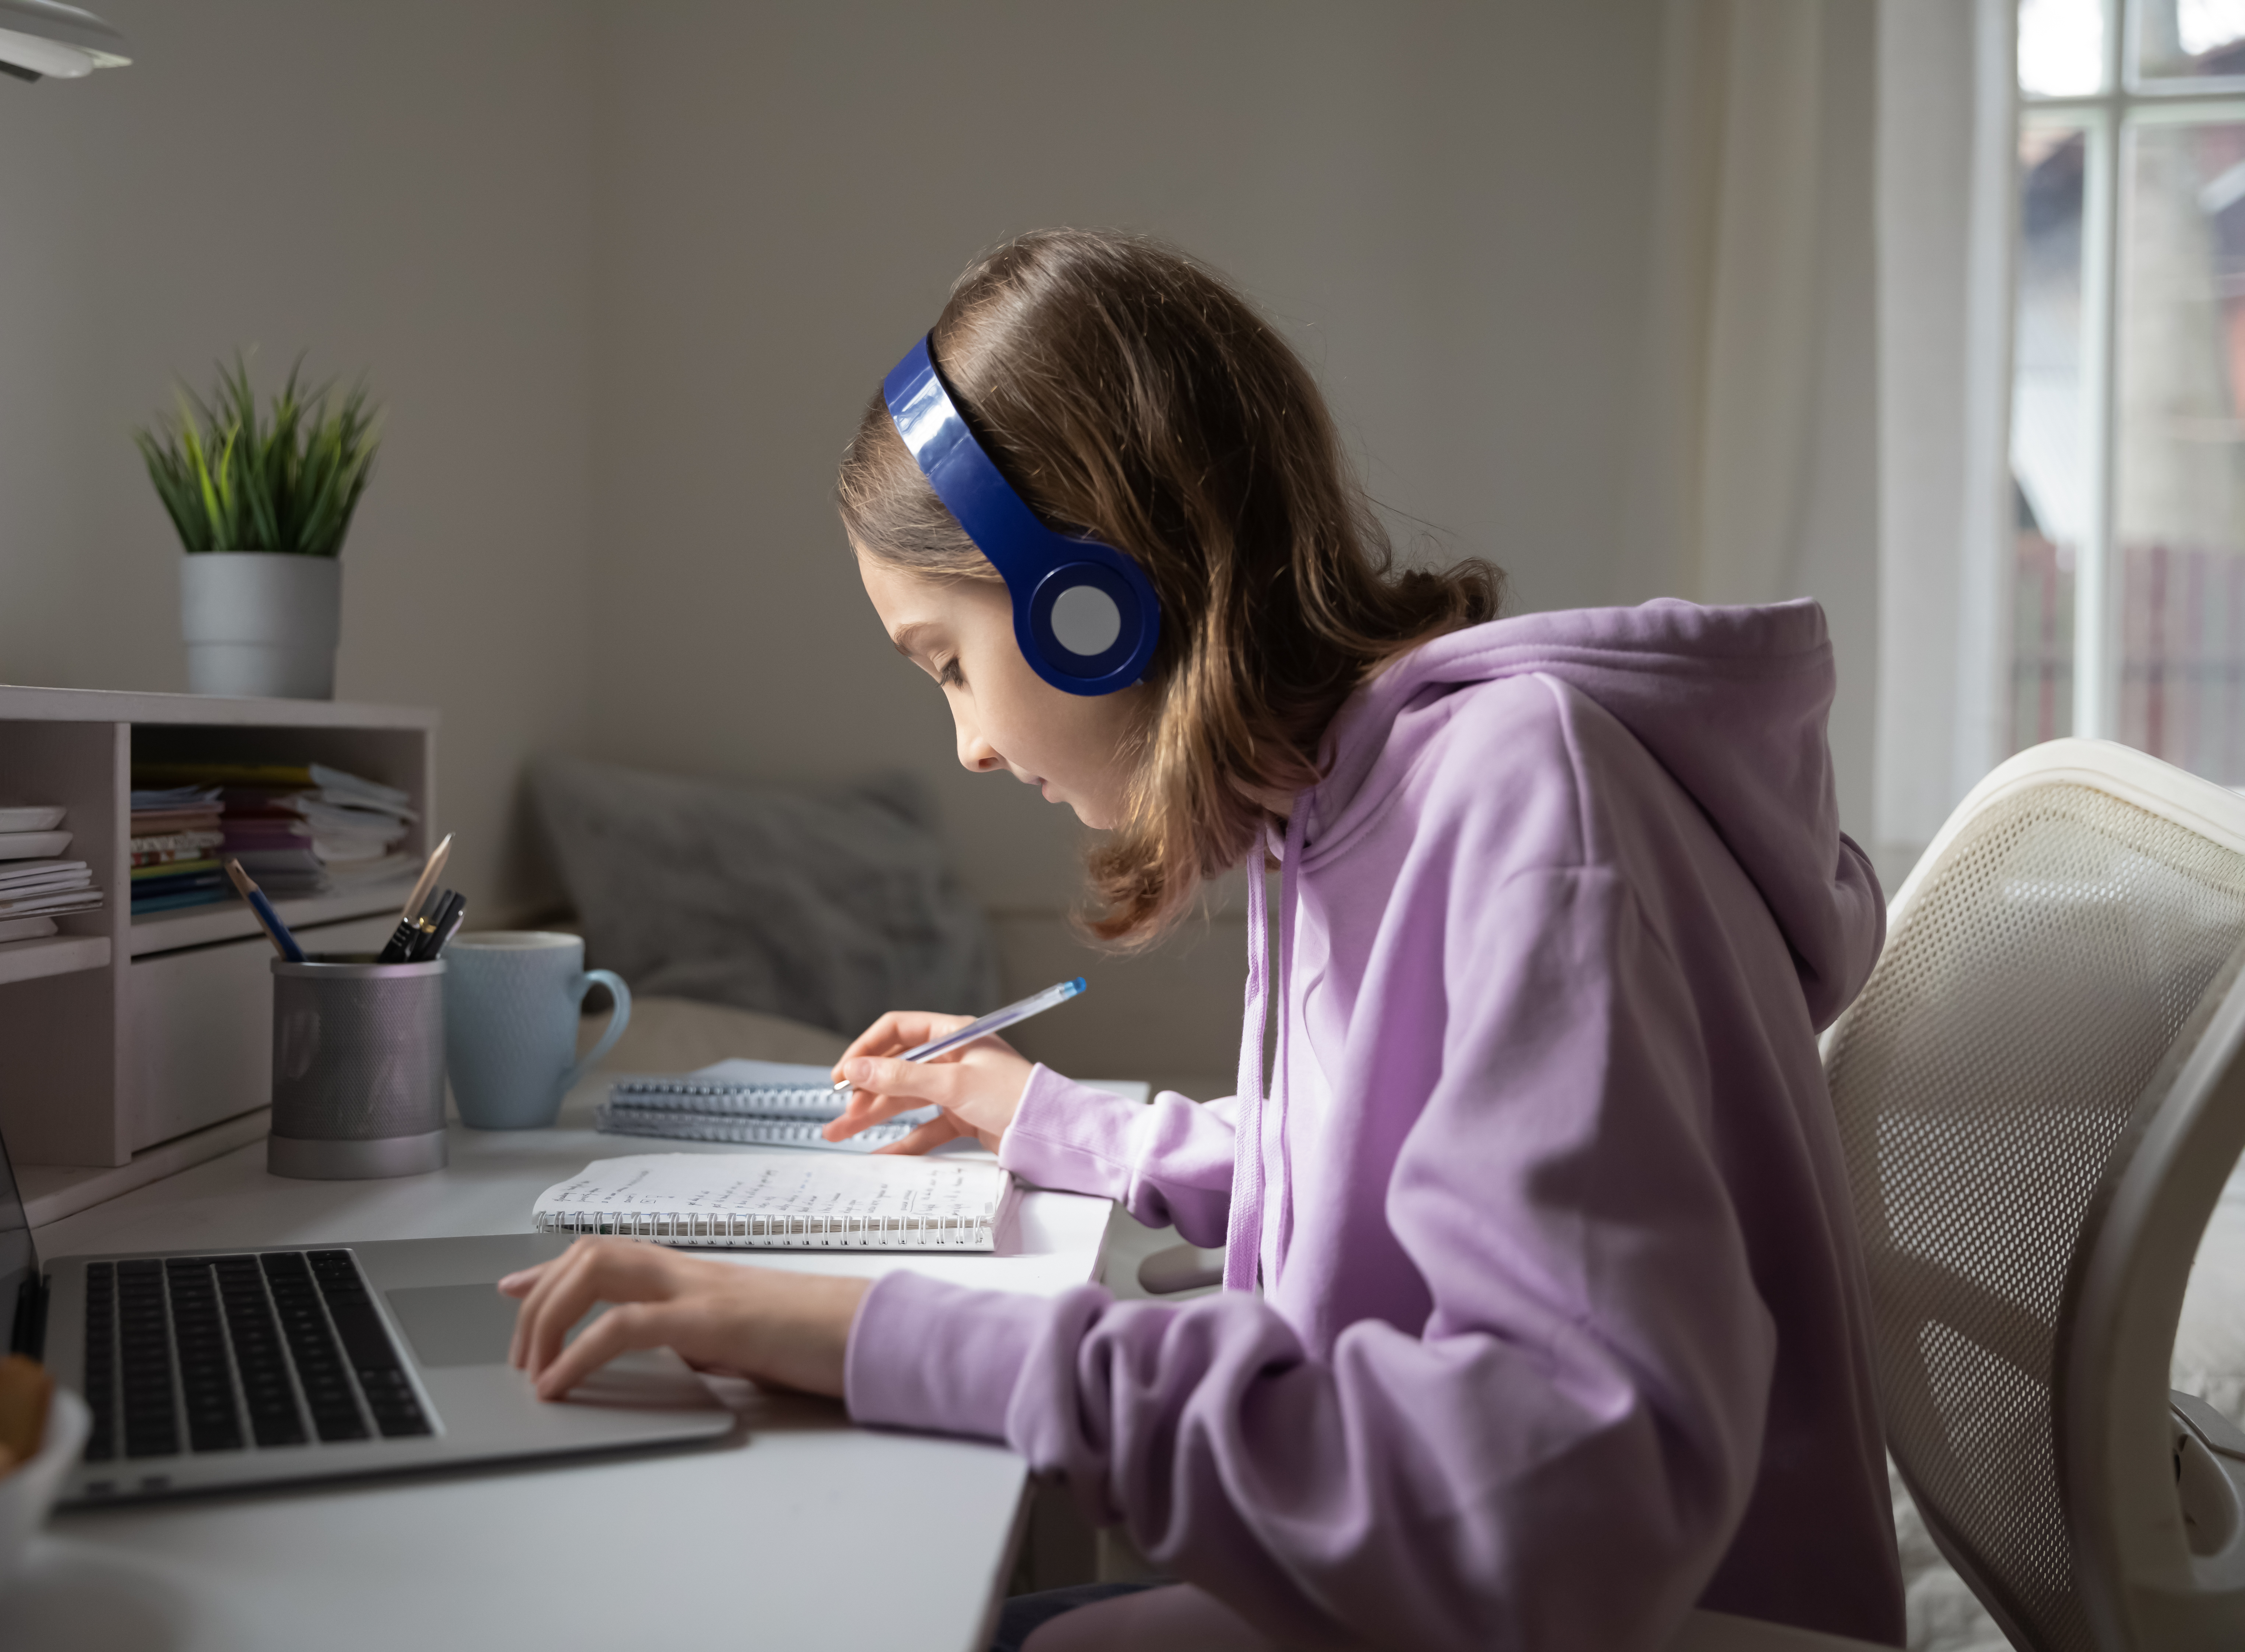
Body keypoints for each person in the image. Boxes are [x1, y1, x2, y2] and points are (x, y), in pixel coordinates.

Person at [501, 229, 1905, 1651]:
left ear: (1090, 605)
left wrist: (878, 1339)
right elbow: (1380, 1166)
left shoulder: (1521, 798)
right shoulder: (1342, 804)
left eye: (948, 664)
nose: (972, 746)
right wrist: (1048, 1117)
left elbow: (1563, 1499)